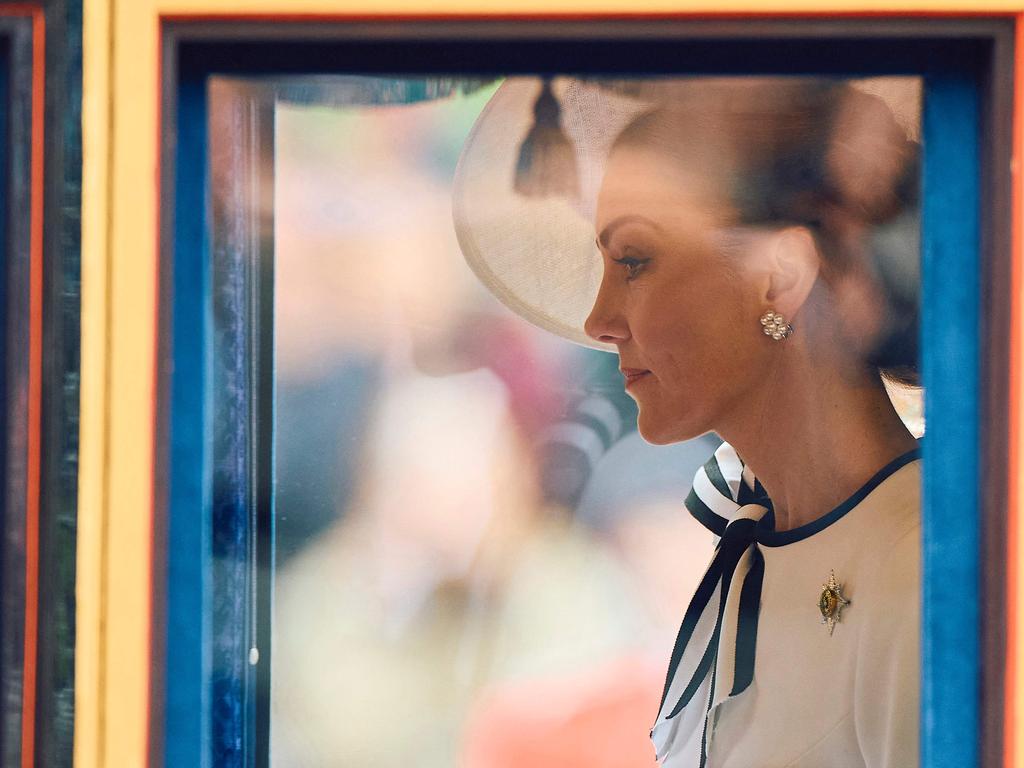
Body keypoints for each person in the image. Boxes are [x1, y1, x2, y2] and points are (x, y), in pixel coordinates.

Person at [452, 76, 923, 767]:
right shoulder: (749, 546)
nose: (598, 320)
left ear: (780, 276)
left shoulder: (919, 572)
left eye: (635, 260)